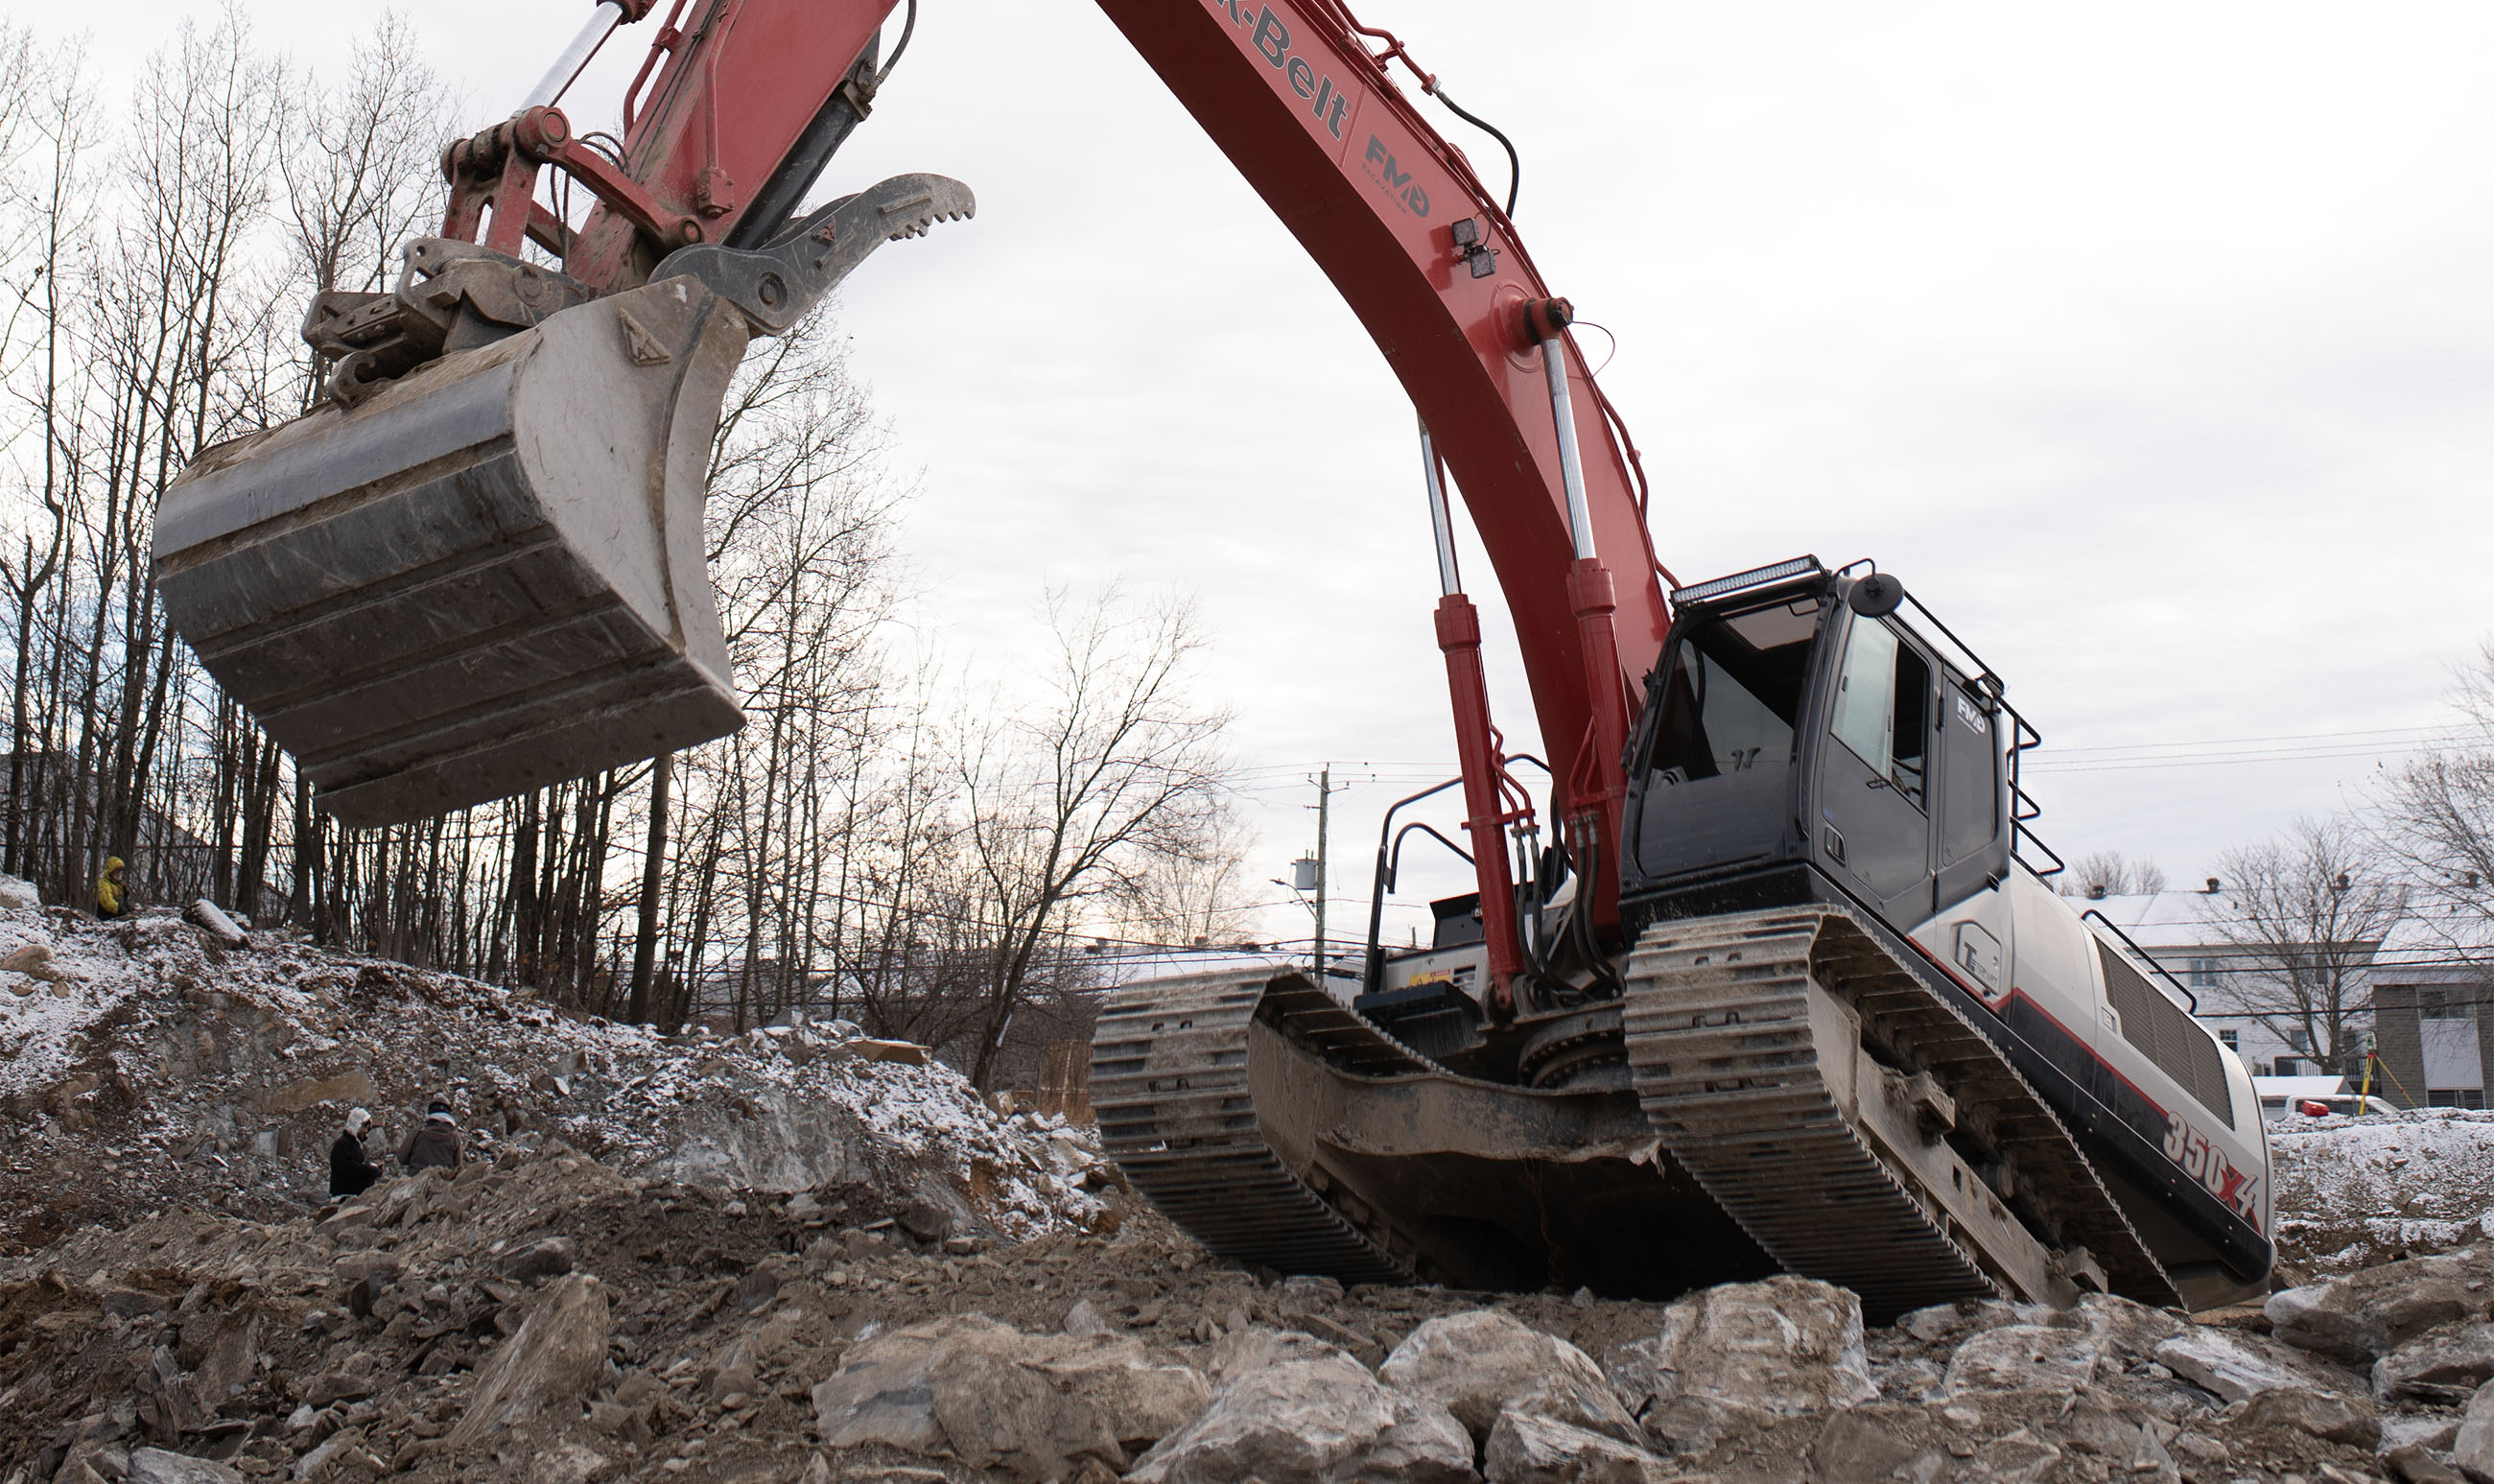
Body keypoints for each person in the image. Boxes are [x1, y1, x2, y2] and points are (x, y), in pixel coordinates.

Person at [329, 1107, 382, 1198]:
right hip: (344, 1196)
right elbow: (350, 1169)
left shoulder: (352, 1144)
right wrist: (371, 1170)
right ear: (357, 1126)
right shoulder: (343, 1145)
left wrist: (372, 1169)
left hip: (352, 1194)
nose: (366, 1132)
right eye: (365, 1127)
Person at [401, 1099, 462, 1172]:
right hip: (441, 1181)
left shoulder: (418, 1130)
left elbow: (402, 1158)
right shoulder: (454, 1135)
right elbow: (458, 1166)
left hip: (416, 1179)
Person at [95, 856, 128, 920]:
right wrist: (121, 910)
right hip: (105, 916)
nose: (119, 875)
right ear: (110, 872)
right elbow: (107, 903)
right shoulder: (103, 884)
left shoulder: (119, 885)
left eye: (120, 872)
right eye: (116, 872)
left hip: (115, 914)